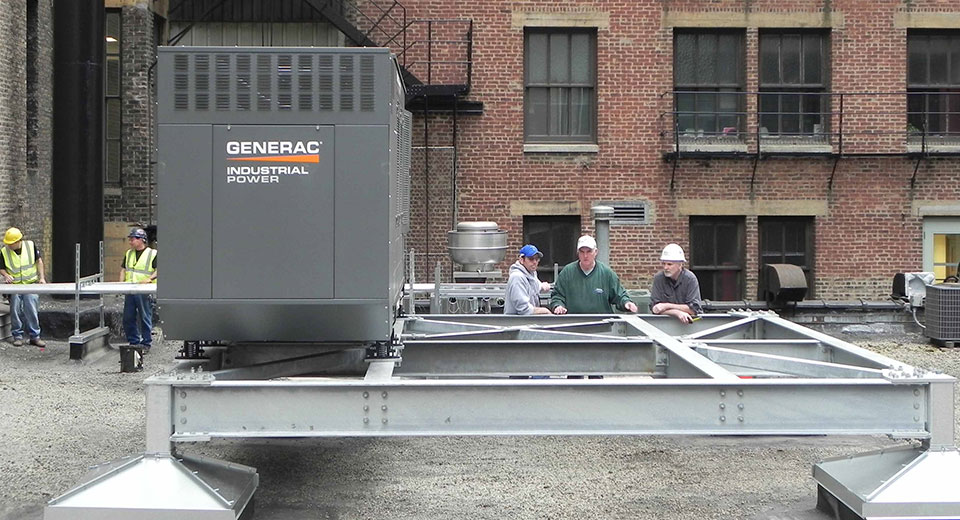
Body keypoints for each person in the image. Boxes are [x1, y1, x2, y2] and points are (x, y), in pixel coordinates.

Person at [551, 235, 638, 314]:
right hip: (572, 325)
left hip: (602, 326)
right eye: (582, 252)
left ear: (596, 252)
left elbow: (620, 295)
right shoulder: (567, 272)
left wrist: (627, 303)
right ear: (578, 253)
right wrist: (558, 306)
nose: (585, 256)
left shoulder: (607, 274)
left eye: (589, 251)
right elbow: (557, 296)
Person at [0, 227, 47, 348]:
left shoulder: (30, 246)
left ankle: (35, 336)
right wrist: (6, 275)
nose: (9, 246)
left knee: (31, 309)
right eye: (8, 243)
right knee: (15, 310)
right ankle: (17, 336)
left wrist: (42, 278)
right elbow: (1, 267)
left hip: (30, 284)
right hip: (15, 286)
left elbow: (39, 262)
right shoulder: (4, 251)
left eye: (11, 243)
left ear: (18, 241)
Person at [120, 228, 157, 351]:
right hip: (130, 290)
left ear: (142, 240)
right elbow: (124, 269)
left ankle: (146, 343)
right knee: (128, 317)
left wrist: (150, 279)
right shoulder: (129, 253)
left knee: (145, 316)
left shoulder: (152, 254)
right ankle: (134, 342)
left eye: (133, 239)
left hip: (144, 291)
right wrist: (121, 284)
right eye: (130, 239)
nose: (130, 241)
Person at [650, 243, 702, 324]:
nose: (665, 267)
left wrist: (666, 306)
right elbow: (655, 309)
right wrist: (677, 313)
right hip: (664, 325)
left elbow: (693, 310)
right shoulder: (659, 279)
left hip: (690, 325)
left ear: (680, 264)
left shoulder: (690, 279)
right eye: (664, 263)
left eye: (669, 264)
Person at [504, 244, 552, 315]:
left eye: (537, 259)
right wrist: (545, 311)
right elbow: (524, 309)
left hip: (528, 323)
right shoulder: (517, 277)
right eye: (531, 259)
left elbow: (535, 286)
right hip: (516, 324)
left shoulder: (531, 274)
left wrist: (542, 286)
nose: (535, 262)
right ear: (521, 260)